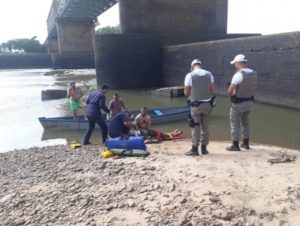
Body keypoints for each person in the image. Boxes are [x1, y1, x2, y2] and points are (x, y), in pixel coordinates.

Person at [184, 59, 216, 156]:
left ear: (193, 66)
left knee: (195, 126)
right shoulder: (209, 74)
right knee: (205, 126)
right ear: (200, 65)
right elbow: (213, 91)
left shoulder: (189, 75)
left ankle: (194, 149)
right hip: (208, 105)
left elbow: (186, 93)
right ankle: (204, 149)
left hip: (196, 106)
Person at [226, 54, 257, 151]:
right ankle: (246, 144)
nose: (235, 65)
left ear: (239, 63)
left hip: (238, 103)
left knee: (235, 124)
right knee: (245, 123)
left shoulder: (238, 75)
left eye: (235, 63)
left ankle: (235, 145)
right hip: (249, 102)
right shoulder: (253, 73)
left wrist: (230, 99)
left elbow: (230, 91)